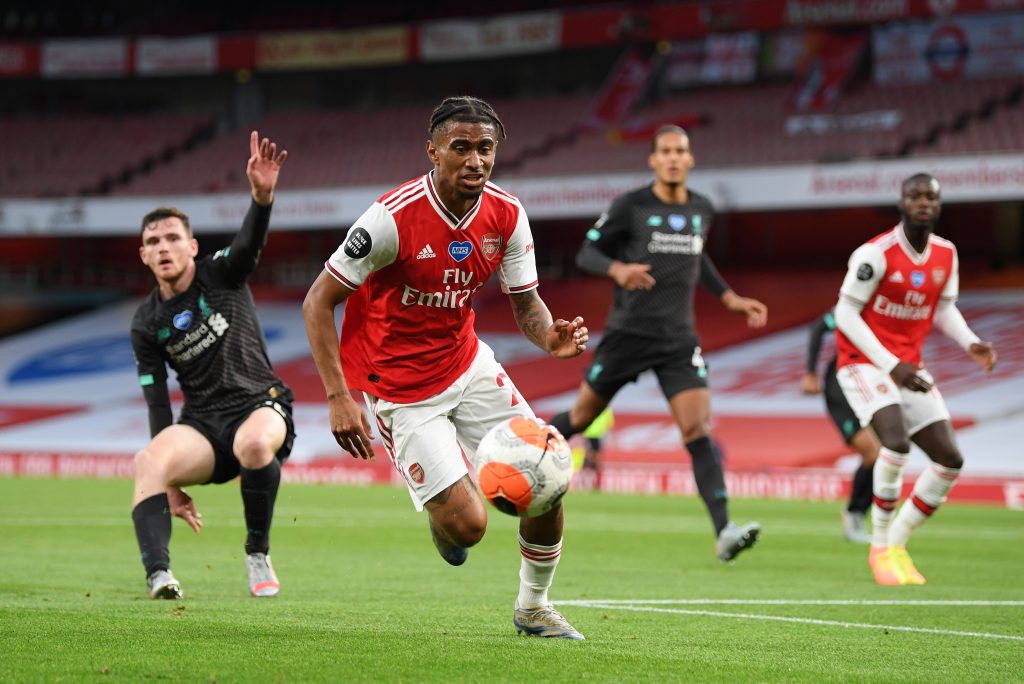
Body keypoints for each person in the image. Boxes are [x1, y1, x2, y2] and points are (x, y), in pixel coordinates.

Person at [302, 96, 589, 639]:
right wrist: (339, 396)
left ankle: (534, 605)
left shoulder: (507, 213)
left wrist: (550, 337)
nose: (475, 160)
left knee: (548, 478)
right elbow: (317, 301)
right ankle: (447, 521)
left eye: (486, 149)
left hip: (468, 365)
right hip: (400, 391)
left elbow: (528, 305)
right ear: (433, 150)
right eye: (461, 148)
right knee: (470, 526)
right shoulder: (391, 217)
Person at [548, 125, 767, 562]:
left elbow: (697, 256)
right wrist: (617, 270)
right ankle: (516, 454)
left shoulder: (703, 208)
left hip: (677, 339)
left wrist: (730, 298)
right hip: (628, 334)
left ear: (690, 160)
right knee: (580, 416)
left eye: (680, 151)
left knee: (697, 429)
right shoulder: (631, 206)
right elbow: (587, 254)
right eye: (664, 151)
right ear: (652, 160)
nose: (672, 157)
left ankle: (724, 530)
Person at [130, 131, 294, 600]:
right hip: (203, 425)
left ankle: (257, 553)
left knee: (256, 443)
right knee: (148, 460)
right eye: (153, 241)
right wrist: (170, 480)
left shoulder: (220, 274)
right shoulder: (145, 322)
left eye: (172, 238)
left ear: (193, 247)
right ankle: (159, 575)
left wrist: (261, 199)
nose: (163, 247)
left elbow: (247, 247)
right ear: (143, 255)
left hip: (260, 403)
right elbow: (157, 402)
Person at [834, 173, 997, 586]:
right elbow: (845, 314)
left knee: (949, 460)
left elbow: (943, 308)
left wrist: (971, 342)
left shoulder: (946, 254)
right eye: (915, 196)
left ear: (939, 206)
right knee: (895, 443)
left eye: (931, 197)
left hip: (908, 367)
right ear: (902, 203)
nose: (923, 202)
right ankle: (879, 546)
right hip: (863, 363)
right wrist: (890, 364)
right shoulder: (876, 254)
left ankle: (895, 544)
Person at [802, 308, 880, 544]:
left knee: (884, 454)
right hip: (843, 386)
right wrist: (810, 373)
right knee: (873, 452)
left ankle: (861, 514)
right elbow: (819, 326)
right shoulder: (859, 301)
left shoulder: (893, 309)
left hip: (873, 386)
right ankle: (854, 514)